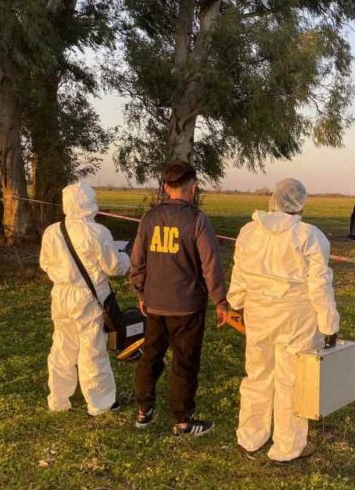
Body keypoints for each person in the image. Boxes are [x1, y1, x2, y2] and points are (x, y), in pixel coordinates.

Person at [227, 178, 340, 462]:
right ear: (299, 204)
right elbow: (320, 285)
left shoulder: (249, 231)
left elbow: (239, 271)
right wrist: (329, 325)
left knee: (257, 374)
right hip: (296, 319)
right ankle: (288, 447)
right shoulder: (309, 235)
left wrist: (235, 302)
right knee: (291, 380)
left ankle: (251, 436)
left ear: (273, 199)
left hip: (258, 314)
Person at [130, 161, 228, 436]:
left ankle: (143, 411)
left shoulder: (149, 218)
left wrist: (140, 291)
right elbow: (211, 266)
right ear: (193, 188)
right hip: (187, 308)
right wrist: (220, 301)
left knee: (150, 356)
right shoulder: (197, 220)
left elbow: (136, 261)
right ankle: (183, 421)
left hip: (154, 304)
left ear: (164, 187)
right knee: (184, 363)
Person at [39, 182, 130, 416]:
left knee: (62, 347)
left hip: (60, 295)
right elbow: (114, 267)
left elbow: (45, 263)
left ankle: (58, 399)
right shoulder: (98, 232)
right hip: (89, 297)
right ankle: (100, 403)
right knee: (92, 350)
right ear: (90, 203)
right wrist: (126, 257)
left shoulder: (52, 231)